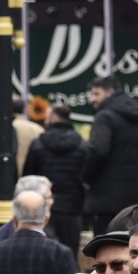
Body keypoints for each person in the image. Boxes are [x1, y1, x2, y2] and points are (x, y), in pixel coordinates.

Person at [81, 74, 138, 231]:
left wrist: (86, 178)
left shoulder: (104, 117)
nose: (93, 99)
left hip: (103, 199)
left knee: (105, 249)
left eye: (96, 94)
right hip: (131, 198)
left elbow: (98, 150)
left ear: (110, 92)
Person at [21, 102, 87, 256]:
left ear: (53, 117)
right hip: (72, 208)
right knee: (70, 253)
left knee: (41, 252)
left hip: (43, 208)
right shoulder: (83, 145)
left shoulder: (38, 144)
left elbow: (28, 176)